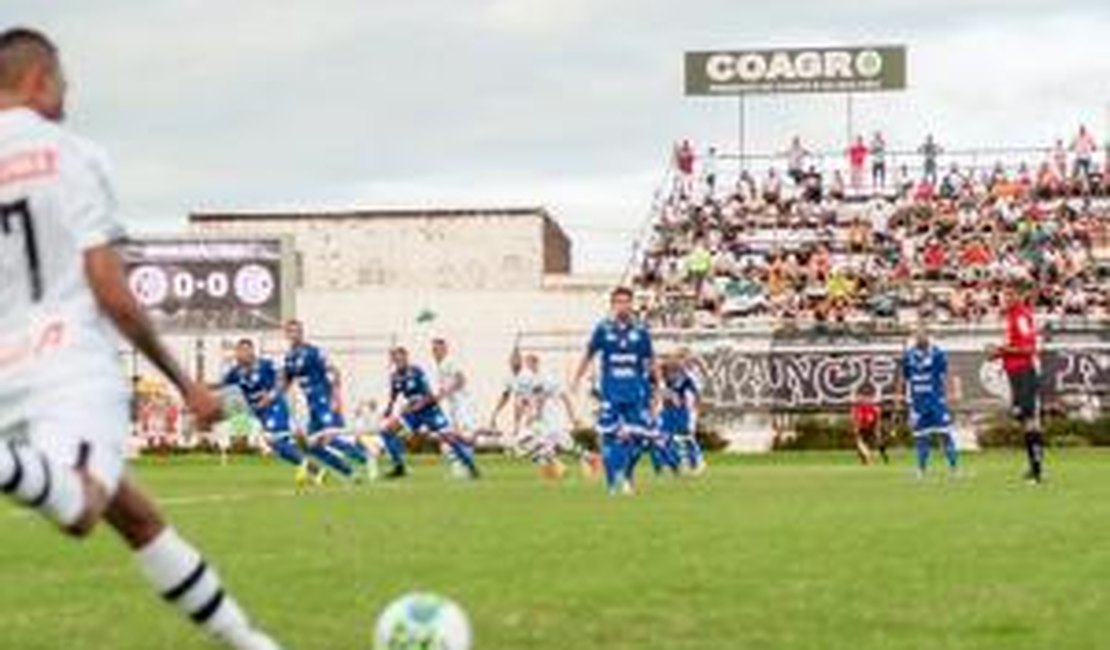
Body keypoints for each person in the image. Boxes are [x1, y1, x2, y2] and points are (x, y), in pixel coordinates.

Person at [0, 28, 281, 649]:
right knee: (82, 507)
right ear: (38, 80)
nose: (68, 96)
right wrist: (187, 384)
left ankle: (249, 641)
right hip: (64, 363)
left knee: (135, 514)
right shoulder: (70, 154)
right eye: (64, 83)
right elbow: (111, 290)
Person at [572, 287, 656, 495]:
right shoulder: (603, 329)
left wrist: (659, 386)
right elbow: (589, 354)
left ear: (631, 304)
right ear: (612, 304)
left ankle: (627, 476)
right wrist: (576, 378)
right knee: (609, 438)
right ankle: (612, 484)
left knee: (640, 440)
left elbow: (650, 360)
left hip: (635, 393)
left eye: (626, 301)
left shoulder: (641, 331)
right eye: (618, 302)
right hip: (611, 393)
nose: (622, 306)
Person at [272, 319, 371, 480]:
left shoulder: (314, 352)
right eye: (290, 331)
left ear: (302, 333)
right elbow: (287, 382)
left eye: (296, 331)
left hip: (324, 400)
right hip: (311, 405)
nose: (293, 334)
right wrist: (275, 398)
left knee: (330, 437)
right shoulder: (289, 357)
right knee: (312, 447)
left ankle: (366, 458)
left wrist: (336, 397)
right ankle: (350, 473)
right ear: (286, 335)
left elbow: (335, 372)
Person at [221, 338, 318, 487]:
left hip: (275, 406)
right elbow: (225, 391)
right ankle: (314, 470)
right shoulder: (234, 373)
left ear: (252, 351)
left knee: (273, 439)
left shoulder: (265, 364)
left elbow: (281, 379)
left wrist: (271, 395)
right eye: (239, 351)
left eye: (245, 350)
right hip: (260, 412)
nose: (242, 354)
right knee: (278, 446)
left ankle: (304, 463)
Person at [377, 346, 480, 479]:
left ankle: (471, 467)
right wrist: (388, 409)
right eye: (395, 359)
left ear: (406, 357)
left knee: (449, 438)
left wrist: (416, 406)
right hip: (413, 413)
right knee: (387, 432)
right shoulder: (395, 377)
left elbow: (429, 396)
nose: (398, 361)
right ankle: (399, 467)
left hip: (429, 410)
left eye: (400, 358)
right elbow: (393, 395)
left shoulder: (416, 372)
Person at [987, 283, 1044, 483]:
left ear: (1019, 296)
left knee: (1028, 418)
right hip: (1015, 373)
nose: (1007, 299)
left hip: (1024, 372)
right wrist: (999, 354)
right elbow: (1015, 346)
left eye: (1011, 295)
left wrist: (1001, 351)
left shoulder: (1020, 316)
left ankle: (1036, 471)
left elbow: (1029, 348)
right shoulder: (1010, 317)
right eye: (1005, 295)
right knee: (1025, 419)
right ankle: (1034, 465)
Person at [901, 325, 958, 477]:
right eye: (917, 335)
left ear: (928, 336)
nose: (920, 338)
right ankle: (921, 469)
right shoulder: (908, 355)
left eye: (923, 335)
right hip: (918, 403)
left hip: (936, 401)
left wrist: (951, 392)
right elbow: (904, 377)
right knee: (921, 437)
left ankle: (953, 467)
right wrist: (900, 396)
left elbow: (945, 373)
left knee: (945, 434)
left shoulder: (937, 353)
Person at [657, 352, 705, 474]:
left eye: (680, 359)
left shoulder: (685, 377)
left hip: (681, 411)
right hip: (666, 410)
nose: (676, 362)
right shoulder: (662, 372)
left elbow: (696, 392)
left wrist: (696, 406)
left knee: (685, 436)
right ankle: (669, 464)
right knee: (664, 437)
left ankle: (696, 461)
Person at [850, 385, 887, 465]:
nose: (865, 398)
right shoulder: (857, 407)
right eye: (863, 396)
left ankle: (883, 457)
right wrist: (855, 427)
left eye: (868, 396)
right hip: (862, 427)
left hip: (871, 427)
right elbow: (854, 416)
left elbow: (878, 417)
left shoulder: (874, 407)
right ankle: (866, 459)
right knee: (860, 442)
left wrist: (877, 428)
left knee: (879, 442)